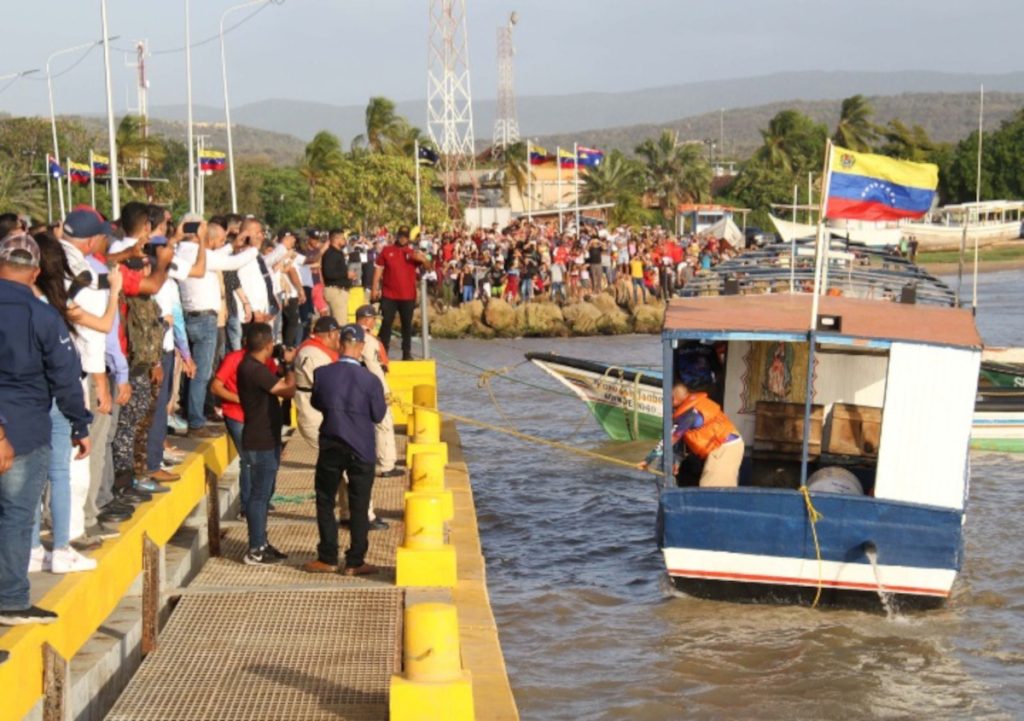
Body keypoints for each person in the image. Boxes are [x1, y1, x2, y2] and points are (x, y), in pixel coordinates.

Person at [0, 235, 92, 626]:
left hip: (16, 428)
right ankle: (11, 599)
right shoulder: (42, 316)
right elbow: (66, 376)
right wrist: (79, 423)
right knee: (17, 517)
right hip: (23, 431)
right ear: (35, 272)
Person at [304, 323, 386, 576]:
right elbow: (378, 414)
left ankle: (328, 556)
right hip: (361, 447)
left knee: (325, 500)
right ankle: (355, 560)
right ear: (360, 347)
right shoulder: (370, 380)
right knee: (359, 506)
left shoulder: (323, 374)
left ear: (340, 344)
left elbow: (317, 402)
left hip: (332, 443)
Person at [236, 322, 295, 565]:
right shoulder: (253, 369)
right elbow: (288, 391)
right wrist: (290, 365)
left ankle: (261, 541)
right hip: (259, 440)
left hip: (265, 437)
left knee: (264, 492)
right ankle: (255, 548)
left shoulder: (254, 366)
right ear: (268, 345)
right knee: (259, 496)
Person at [639, 382, 743, 488]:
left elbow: (670, 440)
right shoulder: (696, 405)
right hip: (728, 445)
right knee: (719, 487)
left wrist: (647, 460)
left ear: (673, 399)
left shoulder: (688, 415)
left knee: (711, 488)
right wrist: (677, 462)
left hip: (724, 448)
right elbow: (681, 441)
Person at [355, 305, 401, 480]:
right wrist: (385, 391)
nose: (375, 322)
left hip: (355, 386)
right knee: (384, 423)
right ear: (367, 319)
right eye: (374, 319)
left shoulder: (350, 334)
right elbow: (375, 368)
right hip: (371, 387)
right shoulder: (369, 341)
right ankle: (386, 465)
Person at [372, 226, 428, 361]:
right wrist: (374, 288)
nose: (403, 238)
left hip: (407, 296)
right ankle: (383, 353)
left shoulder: (413, 252)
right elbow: (378, 270)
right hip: (389, 295)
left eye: (405, 236)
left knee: (406, 326)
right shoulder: (387, 250)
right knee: (386, 324)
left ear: (409, 238)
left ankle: (406, 353)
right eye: (401, 235)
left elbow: (429, 268)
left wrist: (423, 259)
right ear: (397, 236)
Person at [321, 230, 354, 325]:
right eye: (343, 238)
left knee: (339, 322)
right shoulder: (331, 253)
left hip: (340, 291)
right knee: (341, 324)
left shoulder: (338, 253)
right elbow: (328, 273)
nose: (345, 240)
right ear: (335, 239)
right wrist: (346, 274)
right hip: (335, 291)